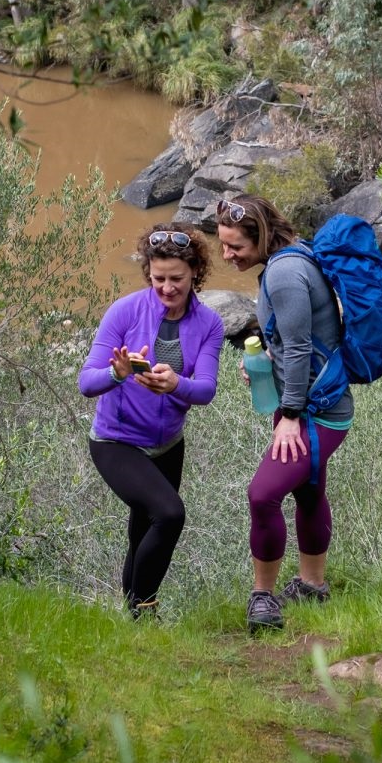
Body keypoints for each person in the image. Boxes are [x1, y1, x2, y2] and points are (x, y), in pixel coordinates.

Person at [216, 193, 352, 632]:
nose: (226, 254)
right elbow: (296, 343)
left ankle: (264, 600)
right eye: (222, 244)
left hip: (314, 412)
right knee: (309, 492)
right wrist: (265, 364)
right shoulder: (292, 259)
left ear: (261, 236)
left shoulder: (285, 274)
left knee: (263, 494)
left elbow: (297, 346)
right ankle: (312, 586)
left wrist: (290, 413)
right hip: (314, 402)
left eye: (235, 246)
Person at [78, 225, 223, 618]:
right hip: (116, 442)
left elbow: (206, 390)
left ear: (195, 272)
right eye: (158, 279)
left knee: (143, 530)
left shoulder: (209, 324)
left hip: (168, 444)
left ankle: (133, 619)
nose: (167, 287)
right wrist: (117, 374)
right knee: (170, 514)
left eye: (176, 278)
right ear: (148, 274)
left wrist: (176, 384)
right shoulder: (124, 311)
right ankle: (146, 607)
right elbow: (86, 383)